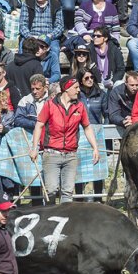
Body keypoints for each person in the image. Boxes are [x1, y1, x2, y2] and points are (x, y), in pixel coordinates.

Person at [30, 76, 101, 204]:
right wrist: (34, 148)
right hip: (51, 154)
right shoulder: (50, 105)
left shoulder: (80, 106)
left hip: (71, 155)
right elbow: (39, 125)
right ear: (66, 89)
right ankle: (50, 214)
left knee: (67, 192)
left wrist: (95, 147)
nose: (78, 90)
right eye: (76, 87)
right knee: (51, 190)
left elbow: (87, 127)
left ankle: (65, 219)